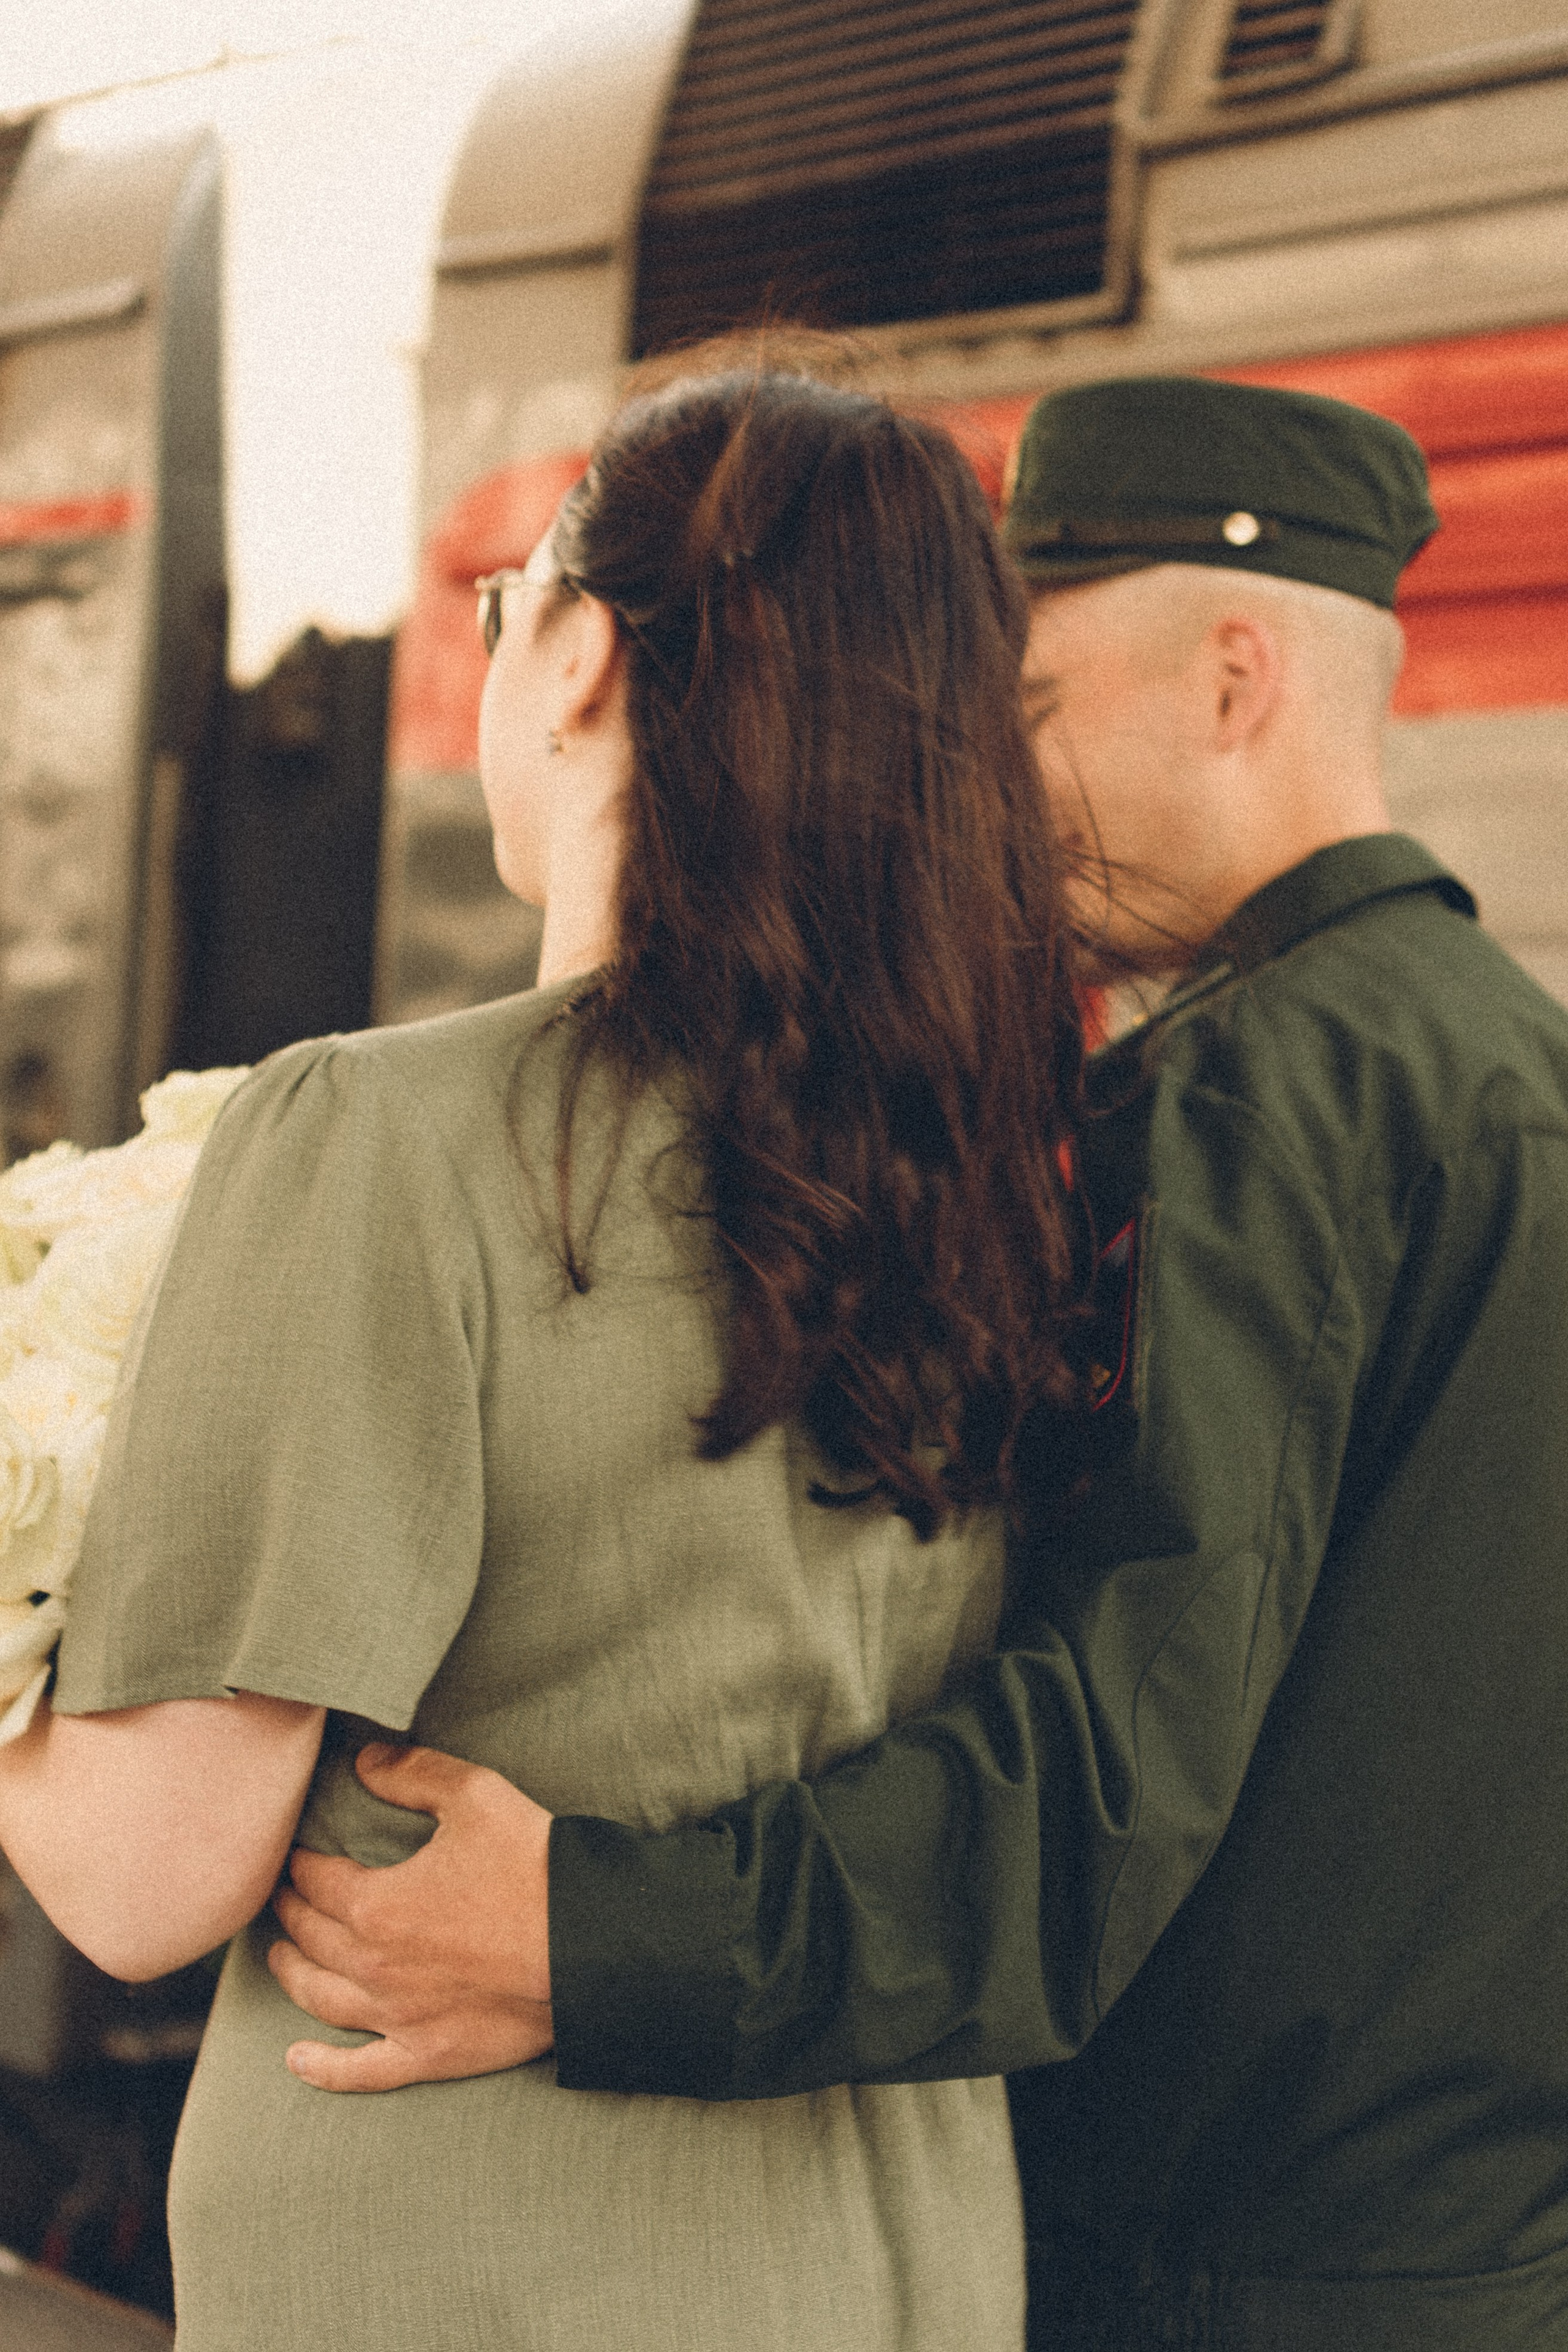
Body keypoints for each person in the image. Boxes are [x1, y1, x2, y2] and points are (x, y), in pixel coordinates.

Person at [272, 375, 1568, 2348]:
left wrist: (589, 1936)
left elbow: (1108, 1771)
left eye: (1025, 715)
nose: (981, 778)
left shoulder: (1253, 1098)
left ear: (1236, 678)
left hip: (1214, 2273)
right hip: (1456, 2250)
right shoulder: (1504, 1062)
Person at [0, 361, 1100, 2350]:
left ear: (581, 652)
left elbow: (145, 1880)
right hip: (902, 2258)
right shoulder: (975, 1174)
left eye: (501, 605)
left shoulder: (386, 1138)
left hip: (484, 2263)